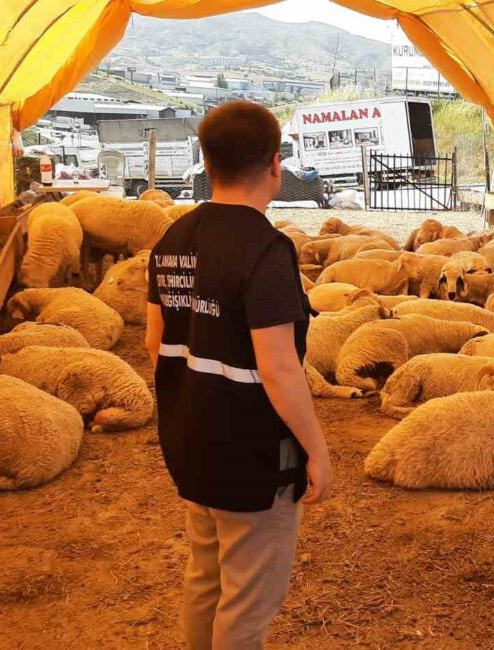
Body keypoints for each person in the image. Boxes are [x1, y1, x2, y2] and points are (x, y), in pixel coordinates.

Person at [144, 100, 332, 650]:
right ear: (276, 164)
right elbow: (278, 368)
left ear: (206, 160)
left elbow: (155, 342)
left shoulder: (172, 239)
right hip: (252, 457)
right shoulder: (266, 250)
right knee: (248, 603)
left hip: (190, 440)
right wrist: (316, 451)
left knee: (206, 578)